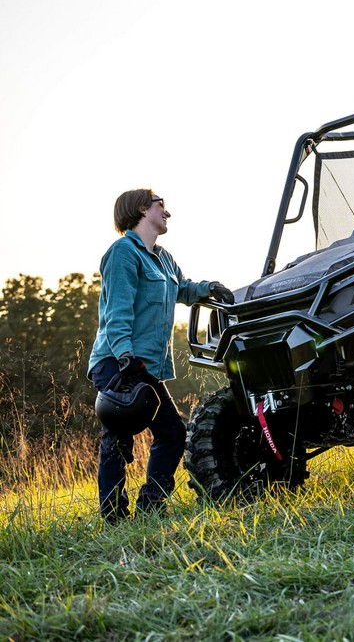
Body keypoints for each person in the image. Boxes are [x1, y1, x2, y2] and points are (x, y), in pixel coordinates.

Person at [87, 189, 234, 524]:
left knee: (172, 433)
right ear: (142, 208)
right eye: (161, 205)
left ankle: (152, 506)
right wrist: (125, 355)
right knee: (119, 438)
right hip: (117, 359)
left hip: (147, 366)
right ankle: (113, 517)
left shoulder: (163, 257)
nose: (167, 212)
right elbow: (117, 311)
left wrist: (209, 288)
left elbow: (181, 288)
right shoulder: (123, 253)